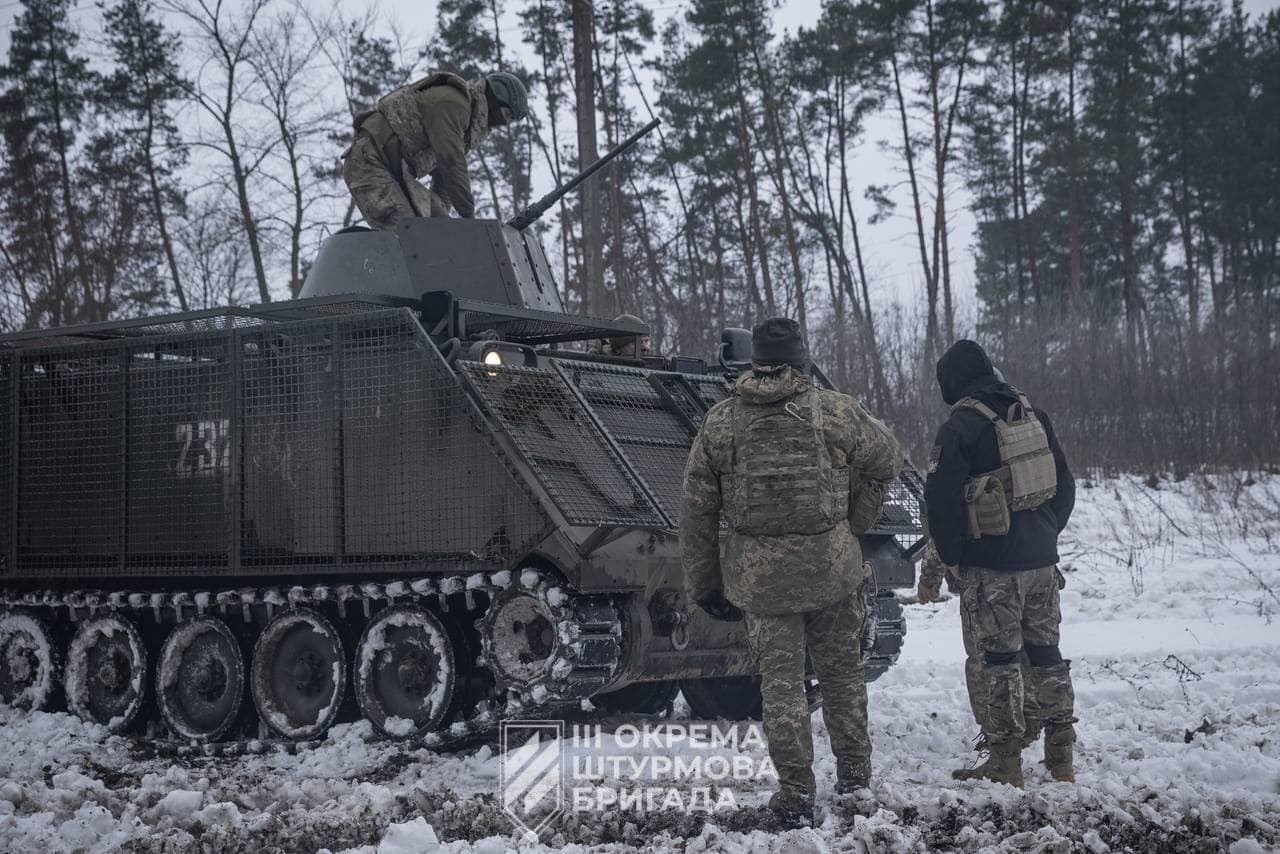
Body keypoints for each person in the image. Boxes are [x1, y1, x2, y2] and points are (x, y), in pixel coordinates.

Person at [680, 317, 900, 824]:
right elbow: (887, 461)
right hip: (832, 571)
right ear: (802, 357)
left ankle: (797, 793)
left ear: (753, 360)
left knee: (780, 686)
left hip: (761, 582)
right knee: (843, 677)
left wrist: (705, 584)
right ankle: (855, 783)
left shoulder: (721, 421)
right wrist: (854, 523)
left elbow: (696, 511)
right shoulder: (835, 411)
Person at [923, 339, 1076, 787]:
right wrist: (1045, 536)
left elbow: (940, 505)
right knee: (1048, 656)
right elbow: (1063, 487)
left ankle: (1005, 763)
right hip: (1042, 565)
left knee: (999, 662)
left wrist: (953, 560)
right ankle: (1061, 759)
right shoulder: (1032, 415)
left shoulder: (961, 427)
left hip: (992, 570)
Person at [342, 71, 528, 229]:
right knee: (412, 236)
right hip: (370, 161)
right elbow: (451, 162)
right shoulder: (455, 104)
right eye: (506, 115)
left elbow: (443, 178)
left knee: (441, 235)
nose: (504, 123)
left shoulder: (466, 126)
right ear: (495, 100)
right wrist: (470, 218)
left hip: (396, 172)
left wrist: (443, 220)